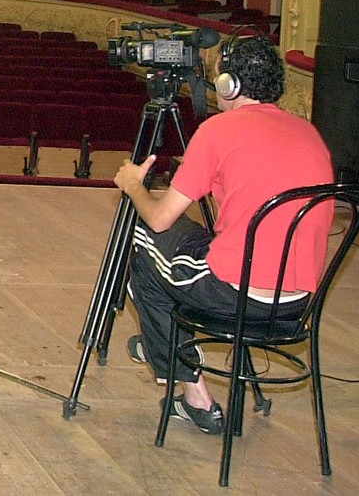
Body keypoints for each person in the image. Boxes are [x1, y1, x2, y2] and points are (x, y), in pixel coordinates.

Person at [113, 35, 334, 436]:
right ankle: (163, 341)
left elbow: (161, 218)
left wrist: (133, 185)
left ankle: (192, 391)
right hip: (297, 302)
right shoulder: (310, 133)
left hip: (236, 293)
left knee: (143, 240)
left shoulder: (219, 130)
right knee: (186, 239)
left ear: (230, 84)